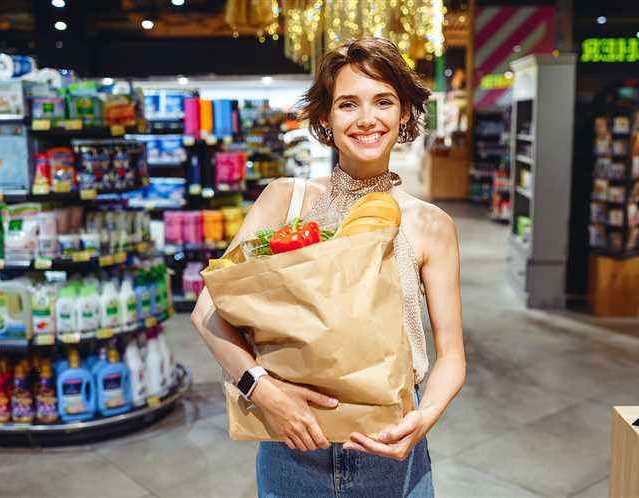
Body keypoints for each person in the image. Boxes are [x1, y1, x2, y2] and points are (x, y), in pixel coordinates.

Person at [191, 37, 466, 497]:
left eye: (383, 101)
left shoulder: (430, 225)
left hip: (390, 448)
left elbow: (452, 356)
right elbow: (208, 310)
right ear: (325, 117)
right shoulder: (286, 199)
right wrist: (260, 389)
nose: (365, 119)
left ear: (404, 114)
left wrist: (424, 420)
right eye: (347, 104)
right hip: (290, 441)